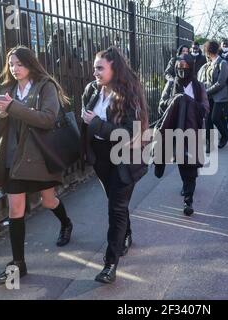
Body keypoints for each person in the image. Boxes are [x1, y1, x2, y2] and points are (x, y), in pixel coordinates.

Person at [0, 46, 73, 284]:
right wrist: (0, 113)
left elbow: (47, 119)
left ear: (30, 63)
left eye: (19, 64)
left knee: (49, 201)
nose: (15, 69)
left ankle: (66, 224)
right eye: (11, 64)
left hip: (39, 158)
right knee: (15, 210)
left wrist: (13, 107)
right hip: (14, 159)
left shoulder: (46, 86)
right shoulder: (7, 89)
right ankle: (18, 264)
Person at [81, 47, 149, 284]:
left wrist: (97, 124)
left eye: (100, 67)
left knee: (116, 209)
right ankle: (126, 234)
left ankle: (110, 264)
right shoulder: (92, 89)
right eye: (94, 68)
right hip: (101, 157)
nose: (95, 72)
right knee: (115, 202)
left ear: (114, 68)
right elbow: (86, 119)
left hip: (123, 157)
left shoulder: (129, 95)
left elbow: (131, 133)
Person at [155, 54, 209, 216]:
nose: (182, 70)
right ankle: (160, 164)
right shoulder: (171, 85)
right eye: (179, 67)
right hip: (173, 131)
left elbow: (205, 109)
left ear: (191, 68)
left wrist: (189, 103)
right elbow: (161, 106)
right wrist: (177, 101)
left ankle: (188, 199)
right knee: (179, 162)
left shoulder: (199, 87)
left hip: (192, 132)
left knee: (189, 167)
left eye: (186, 67)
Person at [198, 40, 228, 151]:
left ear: (209, 51)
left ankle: (225, 135)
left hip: (220, 97)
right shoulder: (208, 63)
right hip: (210, 96)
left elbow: (220, 83)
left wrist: (206, 92)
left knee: (215, 118)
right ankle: (209, 143)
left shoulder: (222, 63)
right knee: (208, 120)